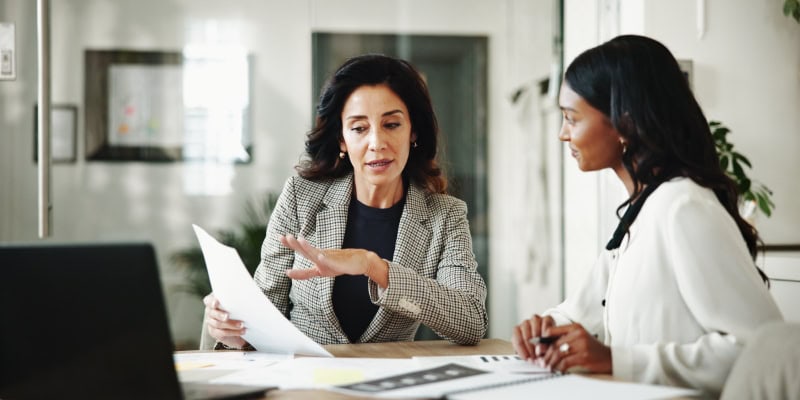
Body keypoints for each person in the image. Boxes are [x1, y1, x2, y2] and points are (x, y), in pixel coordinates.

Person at [510, 35, 783, 397]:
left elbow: (762, 350)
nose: (563, 134)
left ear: (624, 123)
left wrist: (616, 360)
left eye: (571, 118)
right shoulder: (640, 211)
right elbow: (585, 309)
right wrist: (545, 327)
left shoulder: (683, 208)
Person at [203, 54, 487, 348]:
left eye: (391, 124)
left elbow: (471, 321)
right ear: (341, 139)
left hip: (389, 383)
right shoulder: (302, 198)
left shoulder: (445, 215)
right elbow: (264, 312)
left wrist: (372, 266)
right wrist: (234, 330)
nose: (376, 143)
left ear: (413, 131)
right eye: (359, 128)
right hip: (306, 380)